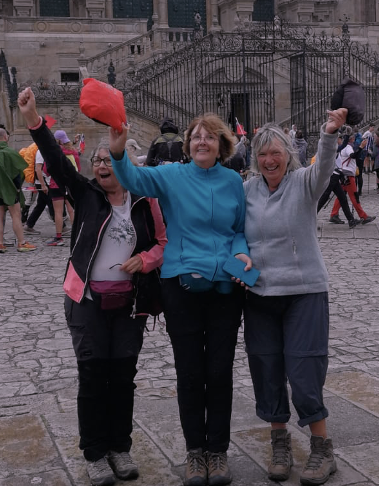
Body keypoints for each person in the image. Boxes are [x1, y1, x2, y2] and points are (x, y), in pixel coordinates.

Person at [17, 87, 167, 486]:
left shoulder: (143, 201)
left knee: (122, 377)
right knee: (92, 375)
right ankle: (95, 453)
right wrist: (35, 120)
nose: (102, 164)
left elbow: (162, 244)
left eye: (108, 159)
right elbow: (57, 163)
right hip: (86, 301)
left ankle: (120, 447)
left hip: (129, 303)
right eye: (97, 160)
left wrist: (145, 259)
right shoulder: (85, 195)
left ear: (123, 164)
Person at [109, 114, 250, 486]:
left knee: (219, 371)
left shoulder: (234, 181)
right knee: (190, 373)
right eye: (195, 137)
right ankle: (195, 452)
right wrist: (118, 149)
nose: (201, 142)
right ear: (187, 144)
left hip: (225, 287)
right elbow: (132, 178)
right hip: (181, 285)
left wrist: (241, 254)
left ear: (222, 145)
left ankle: (217, 451)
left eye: (209, 137)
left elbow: (238, 230)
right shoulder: (172, 176)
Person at [234, 109, 347, 485]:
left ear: (288, 154)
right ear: (255, 157)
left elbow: (325, 166)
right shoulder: (246, 189)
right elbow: (233, 233)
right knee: (266, 368)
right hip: (259, 293)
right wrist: (237, 260)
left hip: (304, 292)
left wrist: (328, 134)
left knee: (304, 369)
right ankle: (279, 440)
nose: (269, 160)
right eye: (262, 153)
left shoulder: (304, 183)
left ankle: (321, 448)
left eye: (276, 152)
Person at [0, 127, 37, 253]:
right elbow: (18, 173)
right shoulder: (10, 153)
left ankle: (0, 244)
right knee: (16, 215)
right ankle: (21, 243)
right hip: (10, 189)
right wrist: (17, 188)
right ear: (5, 137)